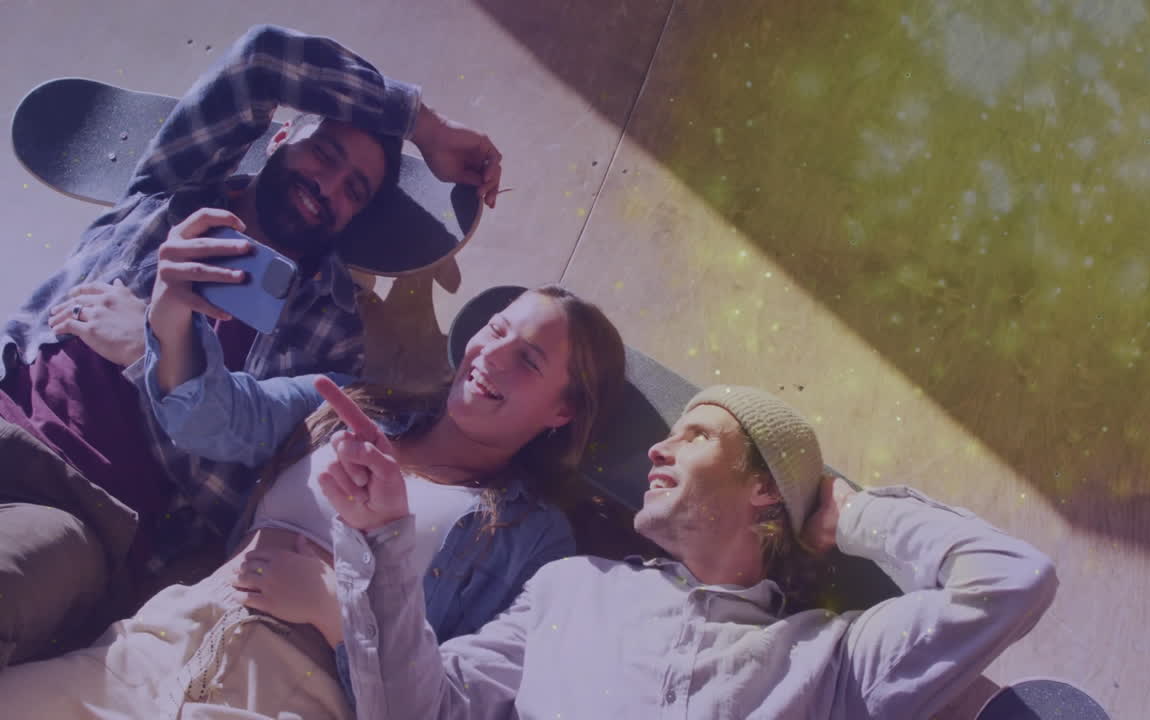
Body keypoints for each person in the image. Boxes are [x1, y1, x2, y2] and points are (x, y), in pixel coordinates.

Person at [0, 23, 503, 668]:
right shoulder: (177, 187)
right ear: (283, 136)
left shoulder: (330, 336)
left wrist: (149, 351)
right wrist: (423, 127)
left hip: (85, 515)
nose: (329, 187)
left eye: (355, 190)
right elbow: (265, 57)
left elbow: (235, 494)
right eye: (326, 155)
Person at [0, 280, 627, 718]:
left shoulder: (536, 538)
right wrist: (167, 319)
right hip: (157, 642)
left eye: (528, 360)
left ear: (562, 411)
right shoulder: (353, 404)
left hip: (286, 696)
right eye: (494, 330)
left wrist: (338, 612)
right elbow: (224, 416)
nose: (491, 356)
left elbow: (444, 705)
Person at [317, 385, 1059, 720]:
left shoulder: (830, 663)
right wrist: (383, 540)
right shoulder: (567, 590)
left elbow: (1011, 582)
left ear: (765, 489)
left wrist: (858, 515)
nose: (658, 447)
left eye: (697, 435)